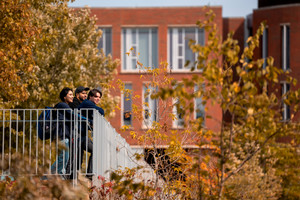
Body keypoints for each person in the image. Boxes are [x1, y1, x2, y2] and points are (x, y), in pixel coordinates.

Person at [77, 89, 104, 178]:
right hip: (78, 135)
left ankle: (88, 174)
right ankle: (89, 175)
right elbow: (101, 111)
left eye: (99, 97)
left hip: (82, 134)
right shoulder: (87, 103)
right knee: (95, 150)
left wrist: (91, 122)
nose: (98, 99)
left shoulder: (89, 105)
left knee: (93, 151)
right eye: (96, 96)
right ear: (90, 97)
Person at [51, 87, 74, 176]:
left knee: (65, 158)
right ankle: (47, 177)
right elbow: (74, 115)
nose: (72, 96)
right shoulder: (62, 105)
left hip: (64, 135)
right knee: (63, 157)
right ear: (65, 97)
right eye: (70, 95)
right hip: (61, 135)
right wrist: (86, 119)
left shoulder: (65, 106)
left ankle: (60, 176)